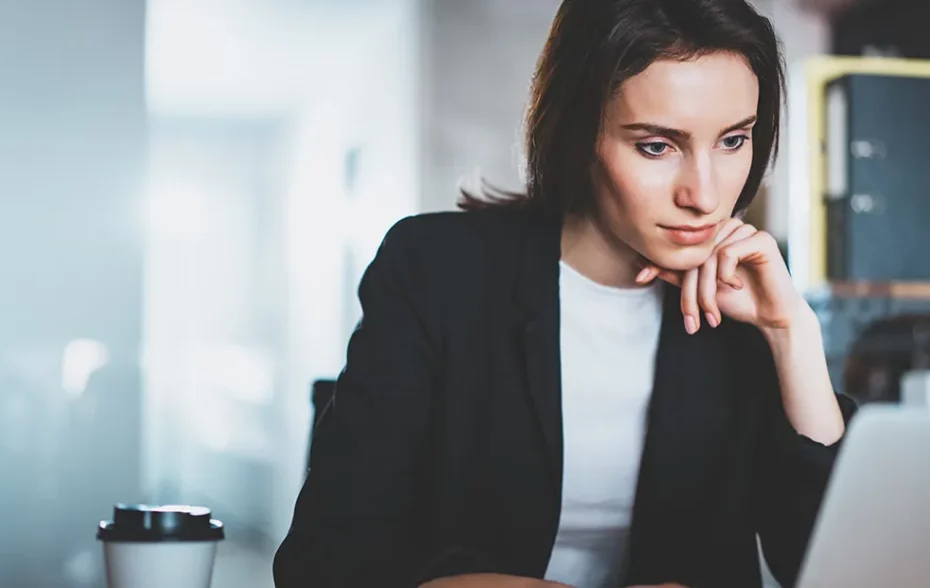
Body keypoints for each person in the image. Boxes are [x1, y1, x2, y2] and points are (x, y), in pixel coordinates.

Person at [273, 0, 856, 586]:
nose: (704, 194)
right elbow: (321, 565)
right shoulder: (437, 270)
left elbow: (834, 571)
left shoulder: (748, 290)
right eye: (657, 146)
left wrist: (791, 335)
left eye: (734, 141)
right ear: (578, 134)